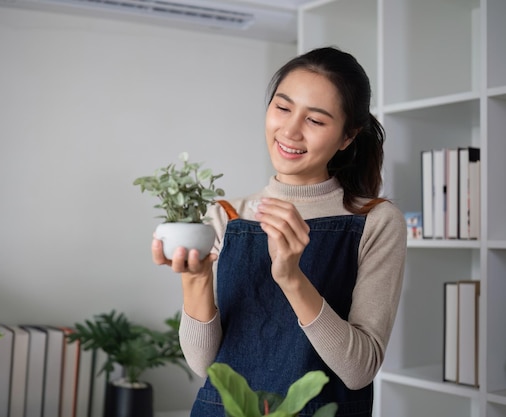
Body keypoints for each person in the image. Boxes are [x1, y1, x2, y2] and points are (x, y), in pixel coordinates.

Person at [151, 46, 407, 417]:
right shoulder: (226, 215)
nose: (289, 130)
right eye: (283, 108)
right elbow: (204, 365)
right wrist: (196, 279)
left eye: (315, 121)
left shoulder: (376, 221)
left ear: (347, 137)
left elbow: (359, 370)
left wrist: (291, 278)